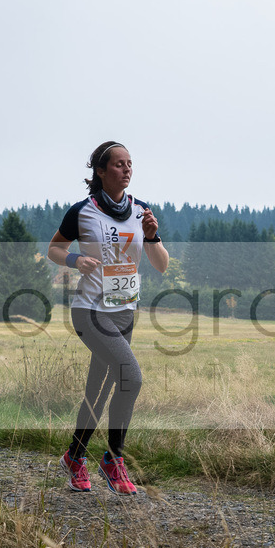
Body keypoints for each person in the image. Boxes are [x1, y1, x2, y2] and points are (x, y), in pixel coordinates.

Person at [48, 141, 169, 495]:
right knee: (131, 377)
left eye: (130, 163)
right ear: (100, 171)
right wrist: (74, 261)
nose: (127, 169)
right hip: (90, 311)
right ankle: (113, 459)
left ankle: (74, 456)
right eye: (119, 164)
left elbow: (161, 265)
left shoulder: (141, 210)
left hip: (124, 311)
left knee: (98, 391)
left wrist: (152, 236)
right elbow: (54, 248)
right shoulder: (82, 211)